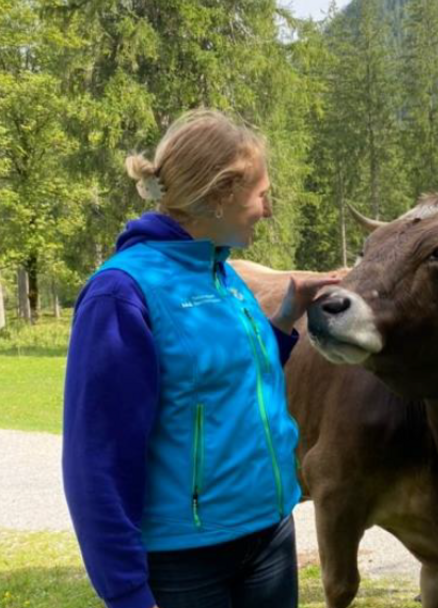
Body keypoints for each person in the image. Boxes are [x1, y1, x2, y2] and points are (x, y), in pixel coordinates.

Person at [62, 108, 339, 608]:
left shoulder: (222, 273)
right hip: (187, 563)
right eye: (260, 194)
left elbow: (226, 383)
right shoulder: (121, 294)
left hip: (269, 534)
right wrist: (126, 593)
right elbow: (97, 462)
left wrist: (281, 322)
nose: (267, 208)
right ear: (220, 194)